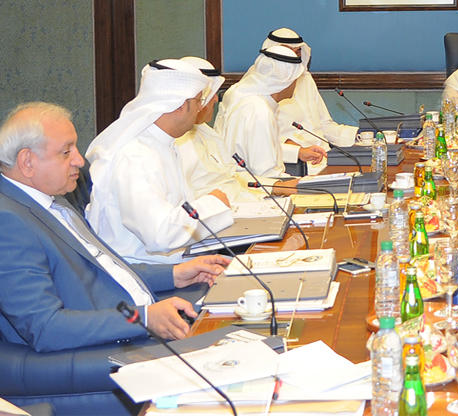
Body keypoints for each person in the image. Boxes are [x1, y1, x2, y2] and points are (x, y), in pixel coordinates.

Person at [0, 102, 230, 353]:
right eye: (66, 152)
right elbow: (46, 328)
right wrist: (143, 319)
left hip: (128, 321)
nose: (79, 160)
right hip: (99, 350)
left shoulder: (51, 200)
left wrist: (175, 274)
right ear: (27, 162)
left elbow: (100, 273)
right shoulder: (8, 222)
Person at [86, 59, 234, 264]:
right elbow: (160, 234)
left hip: (178, 261)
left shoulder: (162, 144)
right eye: (198, 101)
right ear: (181, 105)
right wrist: (214, 203)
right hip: (146, 272)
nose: (201, 108)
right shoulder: (136, 156)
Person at [215, 43, 326, 191]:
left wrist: (298, 152)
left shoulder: (253, 102)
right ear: (285, 81)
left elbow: (258, 151)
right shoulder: (259, 111)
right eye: (295, 79)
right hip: (258, 194)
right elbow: (268, 176)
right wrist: (307, 184)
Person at [263, 28, 358, 175]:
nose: (293, 58)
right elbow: (259, 145)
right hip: (294, 167)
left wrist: (361, 135)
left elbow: (324, 125)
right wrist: (296, 150)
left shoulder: (305, 79)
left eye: (297, 52)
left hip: (326, 159)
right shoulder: (257, 89)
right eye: (288, 52)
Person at [175, 56, 262, 200]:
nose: (215, 99)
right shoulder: (178, 142)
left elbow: (230, 177)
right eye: (209, 94)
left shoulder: (206, 132)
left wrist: (274, 187)